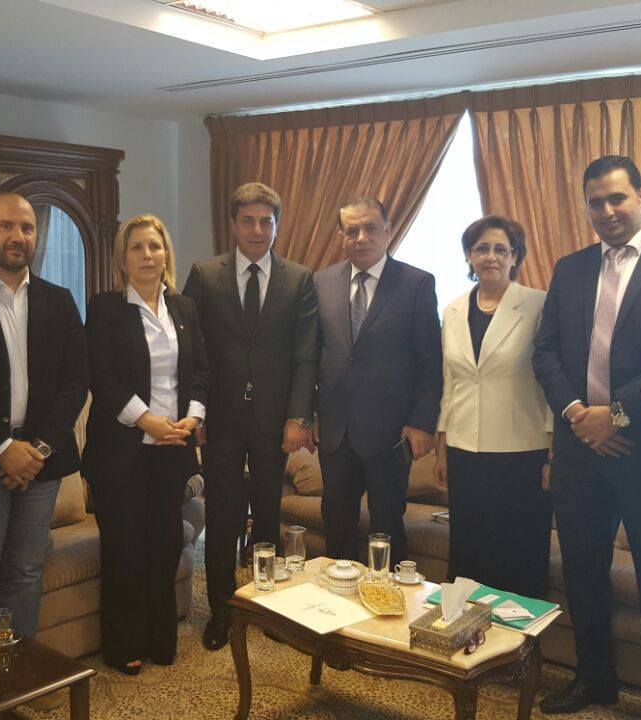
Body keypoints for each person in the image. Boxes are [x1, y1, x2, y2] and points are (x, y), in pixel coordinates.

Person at [533, 156, 641, 718]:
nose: (606, 211)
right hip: (578, 449)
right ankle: (594, 680)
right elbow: (545, 352)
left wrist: (616, 414)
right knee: (582, 570)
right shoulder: (570, 267)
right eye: (595, 202)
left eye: (617, 198)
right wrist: (578, 414)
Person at [0, 193, 90, 638]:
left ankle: (19, 668)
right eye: (6, 226)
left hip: (42, 464)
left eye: (27, 227)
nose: (18, 236)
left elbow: (76, 381)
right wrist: (3, 448)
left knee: (26, 572)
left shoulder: (59, 300)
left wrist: (37, 450)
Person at [182, 182, 319, 651]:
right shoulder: (205, 275)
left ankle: (267, 607)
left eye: (266, 221)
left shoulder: (299, 279)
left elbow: (305, 355)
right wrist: (195, 413)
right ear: (234, 225)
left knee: (267, 516)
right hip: (219, 418)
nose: (257, 230)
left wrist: (299, 417)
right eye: (248, 221)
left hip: (274, 420)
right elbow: (191, 350)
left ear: (276, 225)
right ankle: (221, 612)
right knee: (222, 517)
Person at [82, 214, 208, 675]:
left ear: (166, 254)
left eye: (155, 246)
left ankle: (160, 637)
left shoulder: (184, 308)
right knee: (126, 547)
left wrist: (192, 418)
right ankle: (124, 644)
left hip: (172, 448)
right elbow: (103, 376)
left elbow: (201, 371)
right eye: (136, 247)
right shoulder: (105, 308)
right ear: (123, 258)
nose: (147, 255)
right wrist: (147, 421)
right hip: (122, 451)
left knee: (165, 544)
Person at [314, 197, 441, 566]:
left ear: (387, 231)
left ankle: (387, 599)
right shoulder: (321, 281)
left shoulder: (416, 283)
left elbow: (430, 362)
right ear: (341, 236)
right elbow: (313, 354)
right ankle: (336, 599)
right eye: (352, 230)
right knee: (336, 523)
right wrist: (310, 413)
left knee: (386, 527)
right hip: (335, 432)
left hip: (391, 434)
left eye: (370, 228)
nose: (361, 237)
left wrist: (422, 423)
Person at [432, 215, 552, 598]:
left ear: (515, 256)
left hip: (522, 453)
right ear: (469, 256)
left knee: (518, 555)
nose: (491, 256)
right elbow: (450, 382)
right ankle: (465, 628)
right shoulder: (452, 310)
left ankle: (518, 634)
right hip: (465, 451)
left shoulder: (539, 305)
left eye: (501, 249)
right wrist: (442, 447)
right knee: (469, 552)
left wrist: (553, 453)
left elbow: (552, 380)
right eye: (481, 248)